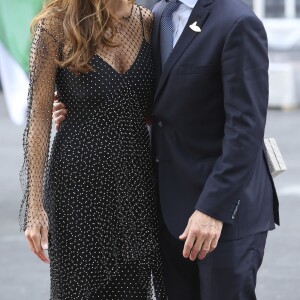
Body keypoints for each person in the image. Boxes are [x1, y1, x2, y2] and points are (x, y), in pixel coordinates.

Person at [54, 0, 280, 299]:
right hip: (170, 213)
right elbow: (154, 100)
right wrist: (85, 105)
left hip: (225, 216)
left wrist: (212, 210)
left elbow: (245, 130)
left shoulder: (238, 22)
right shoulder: (157, 16)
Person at [19, 0, 167, 299]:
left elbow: (158, 99)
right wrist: (34, 209)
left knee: (134, 289)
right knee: (79, 291)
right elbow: (37, 117)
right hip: (77, 187)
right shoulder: (56, 25)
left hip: (135, 183)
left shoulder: (149, 22)